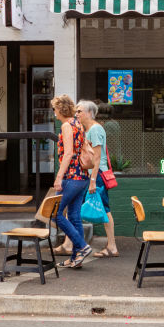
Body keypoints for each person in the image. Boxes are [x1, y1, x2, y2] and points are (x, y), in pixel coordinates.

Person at [51, 94, 92, 268]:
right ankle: (76, 258)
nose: (54, 113)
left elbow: (68, 154)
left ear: (61, 109)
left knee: (55, 213)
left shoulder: (67, 126)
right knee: (74, 217)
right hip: (82, 177)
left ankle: (81, 247)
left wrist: (59, 177)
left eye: (54, 109)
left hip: (71, 177)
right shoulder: (78, 124)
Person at [77, 100, 119, 258]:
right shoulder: (90, 129)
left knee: (105, 209)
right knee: (102, 208)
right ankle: (74, 244)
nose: (77, 114)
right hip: (94, 175)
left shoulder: (95, 129)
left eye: (80, 111)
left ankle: (112, 246)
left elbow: (97, 158)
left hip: (98, 175)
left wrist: (93, 180)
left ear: (89, 113)